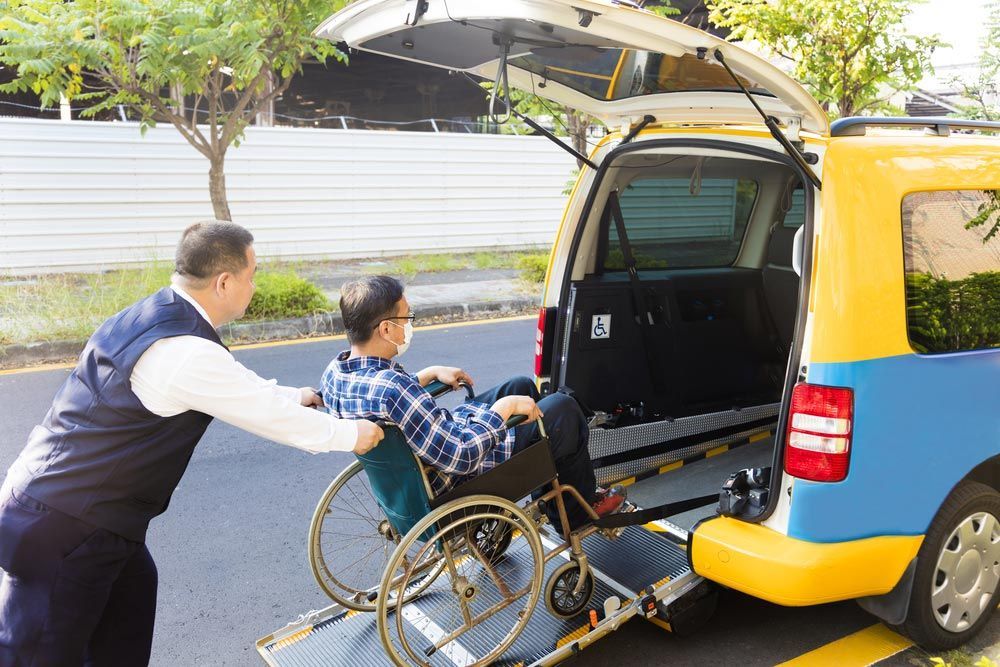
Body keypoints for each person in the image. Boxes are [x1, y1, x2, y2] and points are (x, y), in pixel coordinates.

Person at [0, 221, 383, 667]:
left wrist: (298, 395)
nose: (254, 286)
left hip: (87, 517)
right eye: (252, 275)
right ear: (224, 282)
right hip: (65, 528)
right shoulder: (186, 351)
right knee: (39, 657)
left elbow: (236, 386)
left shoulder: (156, 314)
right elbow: (268, 417)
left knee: (128, 611)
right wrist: (353, 435)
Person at [320, 275, 626, 530]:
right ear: (385, 329)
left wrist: (425, 375)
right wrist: (501, 411)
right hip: (456, 481)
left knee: (519, 385)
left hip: (415, 476)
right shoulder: (394, 389)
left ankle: (549, 487)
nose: (410, 325)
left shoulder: (336, 374)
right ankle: (577, 515)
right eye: (406, 317)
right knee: (563, 410)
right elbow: (461, 456)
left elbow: (382, 400)